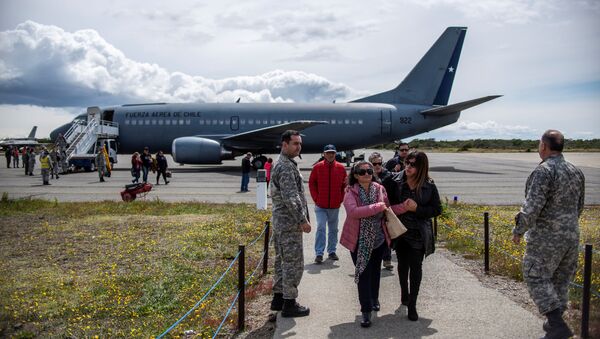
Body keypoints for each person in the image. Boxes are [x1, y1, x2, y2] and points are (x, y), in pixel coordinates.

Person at [512, 130, 585, 339]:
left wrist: (518, 230)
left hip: (546, 238)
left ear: (543, 146)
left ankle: (556, 323)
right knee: (560, 281)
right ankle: (555, 327)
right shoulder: (575, 171)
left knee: (534, 274)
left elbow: (532, 206)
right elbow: (579, 206)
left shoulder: (544, 171)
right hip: (571, 236)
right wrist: (567, 228)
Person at [340, 160, 405, 328]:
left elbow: (387, 209)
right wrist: (376, 207)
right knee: (363, 274)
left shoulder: (380, 189)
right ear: (355, 175)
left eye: (369, 171)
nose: (367, 174)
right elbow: (353, 212)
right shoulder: (350, 191)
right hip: (359, 241)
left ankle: (374, 298)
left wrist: (405, 207)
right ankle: (366, 310)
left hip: (379, 240)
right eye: (362, 172)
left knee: (375, 272)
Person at [392, 151, 441, 321]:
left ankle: (412, 304)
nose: (408, 167)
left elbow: (437, 209)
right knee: (402, 266)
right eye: (407, 163)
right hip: (399, 233)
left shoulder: (429, 185)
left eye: (413, 164)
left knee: (416, 269)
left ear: (421, 167)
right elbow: (379, 187)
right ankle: (404, 294)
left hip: (418, 235)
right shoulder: (397, 182)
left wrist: (417, 209)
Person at [269, 130, 312, 318]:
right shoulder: (285, 166)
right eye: (295, 143)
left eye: (300, 144)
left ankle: (279, 298)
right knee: (293, 263)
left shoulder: (284, 164)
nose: (298, 147)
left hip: (282, 223)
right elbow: (291, 198)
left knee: (282, 261)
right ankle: (289, 303)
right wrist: (303, 220)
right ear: (284, 145)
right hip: (289, 223)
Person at [309, 144, 347, 264]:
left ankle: (331, 251)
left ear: (335, 154)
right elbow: (312, 183)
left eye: (333, 153)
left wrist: (340, 198)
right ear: (324, 154)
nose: (331, 154)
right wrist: (316, 198)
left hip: (335, 206)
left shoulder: (341, 168)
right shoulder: (317, 167)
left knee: (333, 230)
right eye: (328, 152)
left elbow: (345, 186)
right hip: (321, 205)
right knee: (320, 227)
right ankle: (319, 253)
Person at [369, 152, 396, 271]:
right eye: (374, 163)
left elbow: (394, 191)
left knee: (386, 235)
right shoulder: (367, 174)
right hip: (371, 210)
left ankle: (387, 259)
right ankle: (370, 260)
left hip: (386, 209)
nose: (377, 165)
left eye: (379, 163)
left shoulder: (388, 175)